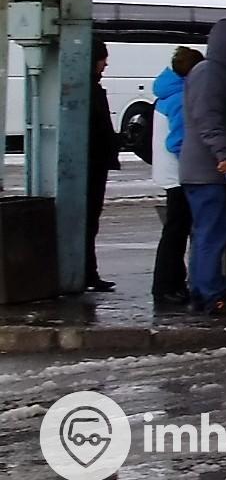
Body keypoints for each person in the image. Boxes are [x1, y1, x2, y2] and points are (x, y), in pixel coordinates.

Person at [180, 20, 226, 316]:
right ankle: (212, 295)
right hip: (208, 171)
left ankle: (203, 292)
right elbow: (208, 118)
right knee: (212, 234)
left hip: (206, 171)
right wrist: (224, 153)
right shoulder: (210, 74)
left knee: (206, 233)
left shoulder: (213, 73)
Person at [149, 47, 201, 308]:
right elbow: (178, 141)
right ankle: (167, 286)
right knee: (176, 232)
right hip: (179, 175)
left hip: (170, 173)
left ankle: (170, 284)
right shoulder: (181, 98)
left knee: (174, 231)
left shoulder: (167, 93)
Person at [84, 38, 117, 293]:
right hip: (93, 166)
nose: (105, 64)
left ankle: (88, 272)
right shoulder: (90, 91)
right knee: (88, 221)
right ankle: (88, 273)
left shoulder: (91, 88)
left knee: (90, 222)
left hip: (95, 164)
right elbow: (98, 130)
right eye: (102, 59)